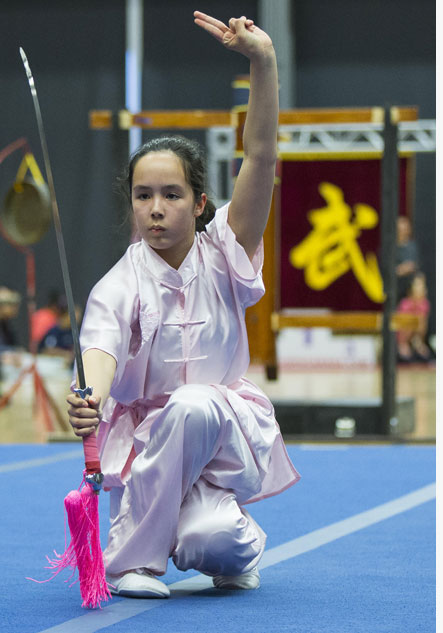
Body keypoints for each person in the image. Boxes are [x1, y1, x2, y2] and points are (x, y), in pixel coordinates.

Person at [66, 11, 299, 599]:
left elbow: (263, 158)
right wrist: (90, 398)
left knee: (217, 547)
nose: (156, 208)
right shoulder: (118, 283)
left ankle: (195, 533)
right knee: (186, 408)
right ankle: (131, 558)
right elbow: (99, 347)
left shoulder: (226, 249)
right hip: (146, 448)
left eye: (172, 194)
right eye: (144, 195)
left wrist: (262, 62)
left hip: (216, 430)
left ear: (199, 203)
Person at [396, 272, 433, 363]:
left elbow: (422, 329)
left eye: (422, 285)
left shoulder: (424, 304)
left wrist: (418, 342)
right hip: (403, 340)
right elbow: (402, 330)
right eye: (417, 285)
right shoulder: (405, 304)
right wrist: (403, 344)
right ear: (411, 288)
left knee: (424, 355)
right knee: (405, 356)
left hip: (416, 340)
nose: (421, 288)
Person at [396, 215, 420, 303]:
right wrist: (399, 270)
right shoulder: (389, 249)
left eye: (405, 229)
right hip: (394, 291)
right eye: (400, 229)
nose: (402, 232)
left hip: (411, 293)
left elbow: (417, 266)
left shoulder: (413, 247)